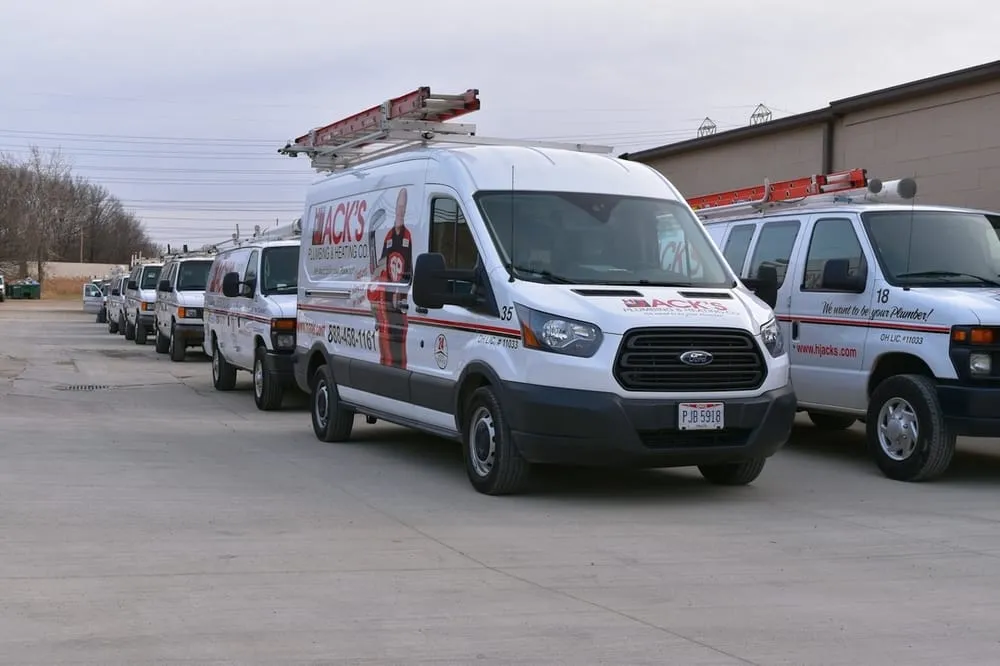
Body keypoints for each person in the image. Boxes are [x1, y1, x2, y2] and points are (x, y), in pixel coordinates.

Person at [368, 188, 413, 368]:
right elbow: (381, 266)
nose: (400, 210)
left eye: (403, 207)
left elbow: (409, 268)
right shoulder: (389, 236)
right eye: (399, 206)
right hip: (386, 305)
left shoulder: (407, 236)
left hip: (400, 307)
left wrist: (401, 291)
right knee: (385, 351)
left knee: (399, 354)